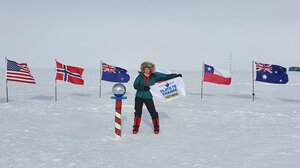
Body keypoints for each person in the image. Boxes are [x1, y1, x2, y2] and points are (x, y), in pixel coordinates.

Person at [133, 61, 182, 134]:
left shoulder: (154, 77)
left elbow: (165, 77)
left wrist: (175, 76)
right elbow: (135, 85)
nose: (146, 70)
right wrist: (143, 88)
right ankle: (136, 127)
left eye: (148, 69)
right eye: (145, 69)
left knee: (153, 112)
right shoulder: (139, 77)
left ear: (151, 70)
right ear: (143, 70)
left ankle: (156, 127)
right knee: (137, 112)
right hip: (139, 97)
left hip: (148, 97)